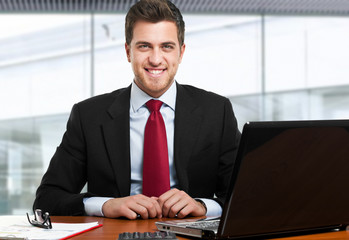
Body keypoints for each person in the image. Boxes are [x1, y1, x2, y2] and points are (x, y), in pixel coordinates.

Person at [33, 0, 241, 220]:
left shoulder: (217, 112)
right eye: (144, 46)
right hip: (116, 233)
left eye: (167, 46)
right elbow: (47, 198)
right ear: (128, 51)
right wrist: (105, 205)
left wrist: (202, 206)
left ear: (181, 53)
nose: (155, 59)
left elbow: (244, 196)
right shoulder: (88, 116)